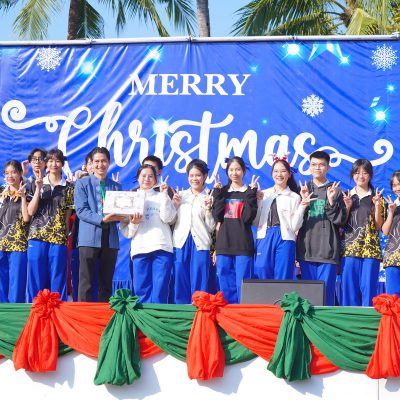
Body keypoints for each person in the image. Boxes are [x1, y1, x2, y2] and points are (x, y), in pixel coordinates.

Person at [296, 151, 347, 306]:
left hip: (328, 251)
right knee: (308, 298)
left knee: (326, 296)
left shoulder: (335, 190)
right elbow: (294, 222)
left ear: (328, 167)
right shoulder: (302, 189)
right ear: (309, 167)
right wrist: (302, 202)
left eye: (322, 165)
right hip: (306, 251)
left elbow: (340, 220)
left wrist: (331, 202)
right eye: (314, 164)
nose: (317, 168)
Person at [120, 164, 176, 303]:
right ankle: (143, 317)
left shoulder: (162, 196)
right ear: (138, 178)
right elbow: (127, 232)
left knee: (160, 290)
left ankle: (158, 317)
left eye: (151, 176)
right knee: (141, 291)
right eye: (143, 176)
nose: (147, 179)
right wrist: (134, 223)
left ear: (156, 179)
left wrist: (164, 195)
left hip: (162, 247)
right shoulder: (130, 198)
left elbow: (168, 218)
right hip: (140, 248)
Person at [74, 147, 123, 302]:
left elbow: (120, 212)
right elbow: (81, 210)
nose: (100, 164)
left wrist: (127, 216)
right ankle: (83, 314)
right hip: (88, 238)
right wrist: (102, 219)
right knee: (86, 282)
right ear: (91, 163)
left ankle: (104, 314)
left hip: (110, 238)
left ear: (109, 162)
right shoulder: (82, 184)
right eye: (97, 161)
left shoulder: (116, 187)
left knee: (106, 282)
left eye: (103, 161)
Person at [26, 149, 74, 302]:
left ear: (62, 164)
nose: (54, 164)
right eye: (51, 161)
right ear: (46, 163)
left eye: (58, 161)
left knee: (57, 281)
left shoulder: (69, 187)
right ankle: (34, 313)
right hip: (37, 236)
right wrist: (38, 187)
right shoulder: (34, 183)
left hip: (58, 239)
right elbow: (30, 211)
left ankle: (57, 314)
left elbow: (67, 215)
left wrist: (64, 234)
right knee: (35, 281)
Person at [253, 157, 309, 280]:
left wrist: (303, 206)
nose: (279, 174)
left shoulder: (294, 197)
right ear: (272, 173)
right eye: (276, 171)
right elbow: (256, 222)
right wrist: (258, 201)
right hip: (264, 235)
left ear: (289, 174)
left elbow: (294, 226)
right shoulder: (264, 194)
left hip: (285, 238)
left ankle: (282, 294)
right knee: (262, 269)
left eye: (283, 171)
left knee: (283, 274)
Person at [212, 156, 258, 304]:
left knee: (242, 283)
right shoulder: (222, 191)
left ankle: (242, 312)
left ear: (243, 171)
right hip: (224, 244)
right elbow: (217, 216)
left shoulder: (249, 192)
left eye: (238, 169)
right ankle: (228, 313)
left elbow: (247, 218)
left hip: (243, 244)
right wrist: (218, 194)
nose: (234, 173)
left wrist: (251, 195)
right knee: (225, 281)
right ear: (227, 172)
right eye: (231, 170)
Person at [340, 159, 384, 306]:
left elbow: (378, 226)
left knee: (368, 288)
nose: (361, 176)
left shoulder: (377, 197)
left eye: (365, 173)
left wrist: (377, 206)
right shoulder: (346, 196)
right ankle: (349, 319)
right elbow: (341, 223)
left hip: (370, 250)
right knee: (349, 289)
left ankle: (367, 318)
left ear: (370, 175)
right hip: (349, 249)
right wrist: (347, 207)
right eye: (357, 172)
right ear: (352, 174)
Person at [172, 159, 215, 304]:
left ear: (205, 176)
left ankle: (199, 309)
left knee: (200, 279)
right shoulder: (180, 195)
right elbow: (170, 220)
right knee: (180, 277)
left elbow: (211, 227)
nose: (194, 179)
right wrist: (174, 205)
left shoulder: (210, 196)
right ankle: (182, 310)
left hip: (201, 243)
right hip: (180, 242)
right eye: (191, 175)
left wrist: (208, 210)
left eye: (198, 175)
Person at [0, 161, 30, 302]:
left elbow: (26, 218)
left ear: (20, 173)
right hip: (1, 243)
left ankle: (15, 311)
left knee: (16, 283)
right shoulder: (2, 193)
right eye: (7, 173)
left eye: (13, 172)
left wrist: (23, 197)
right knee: (1, 284)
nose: (10, 176)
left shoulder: (27, 193)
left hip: (18, 244)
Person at [382, 170, 400, 295]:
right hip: (393, 256)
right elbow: (385, 231)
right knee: (393, 296)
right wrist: (391, 212)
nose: (397, 188)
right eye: (394, 185)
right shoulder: (392, 205)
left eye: (399, 184)